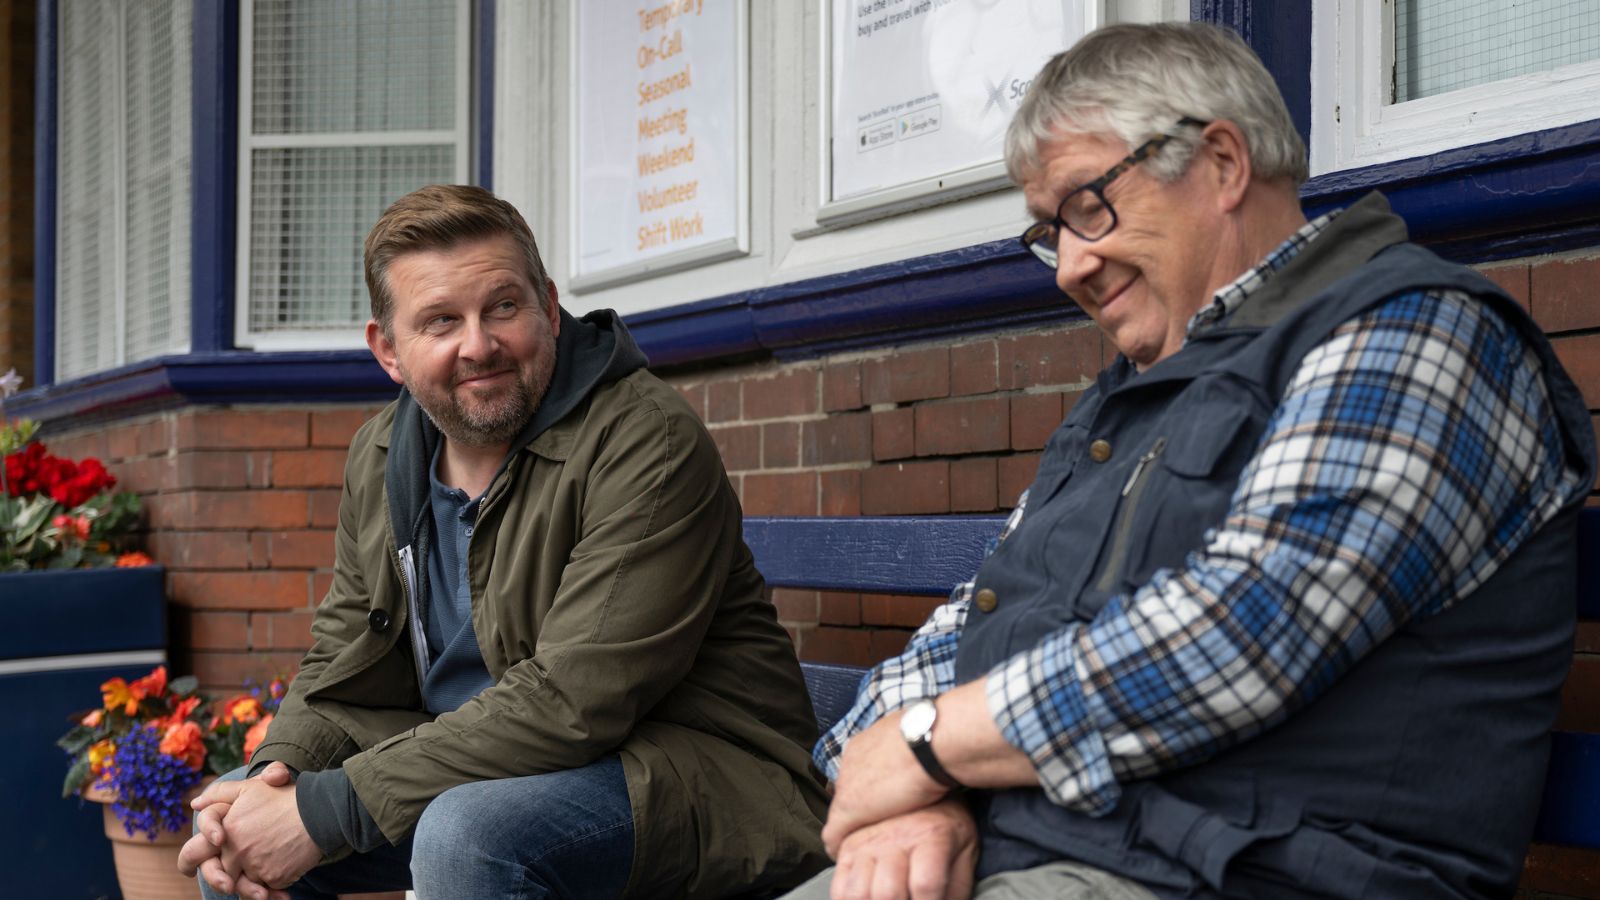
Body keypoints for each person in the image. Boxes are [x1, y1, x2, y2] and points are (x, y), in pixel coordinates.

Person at [792, 21, 1596, 900]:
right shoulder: (1125, 402)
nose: (1067, 266)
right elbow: (958, 633)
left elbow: (1247, 628)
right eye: (1049, 233)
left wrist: (927, 749)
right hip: (1041, 859)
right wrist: (919, 796)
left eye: (1087, 207)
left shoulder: (1419, 333)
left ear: (1220, 162)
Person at [178, 184, 829, 900]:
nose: (478, 345)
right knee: (238, 826)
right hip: (486, 765)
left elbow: (574, 700)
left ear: (549, 307)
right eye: (440, 321)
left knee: (468, 833)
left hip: (695, 774)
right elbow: (344, 650)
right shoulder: (384, 451)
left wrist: (331, 811)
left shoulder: (645, 438)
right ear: (388, 350)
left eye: (503, 308)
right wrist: (279, 780)